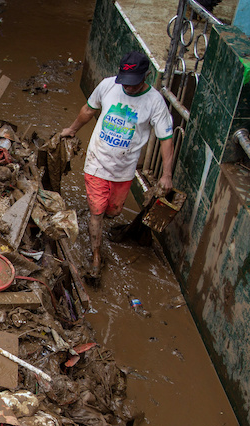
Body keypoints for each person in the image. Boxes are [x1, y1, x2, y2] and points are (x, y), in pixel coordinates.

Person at [62, 50, 174, 276]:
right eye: (125, 82)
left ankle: (103, 217)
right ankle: (96, 256)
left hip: (124, 169)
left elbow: (166, 139)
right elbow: (88, 109)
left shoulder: (154, 102)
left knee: (113, 211)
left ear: (146, 76)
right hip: (97, 161)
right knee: (97, 211)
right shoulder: (107, 86)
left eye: (133, 83)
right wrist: (72, 130)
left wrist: (167, 175)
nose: (128, 87)